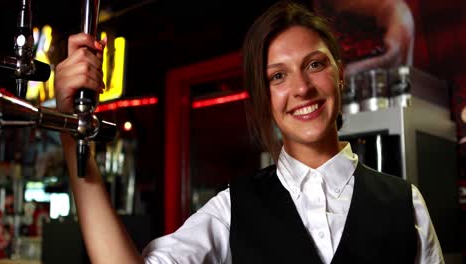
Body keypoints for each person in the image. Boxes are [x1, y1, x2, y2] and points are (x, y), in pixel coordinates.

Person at [54, 1, 443, 263]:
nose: (301, 89)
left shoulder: (407, 203)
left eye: (314, 64)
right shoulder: (231, 210)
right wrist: (71, 129)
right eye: (278, 75)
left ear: (340, 74)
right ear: (265, 95)